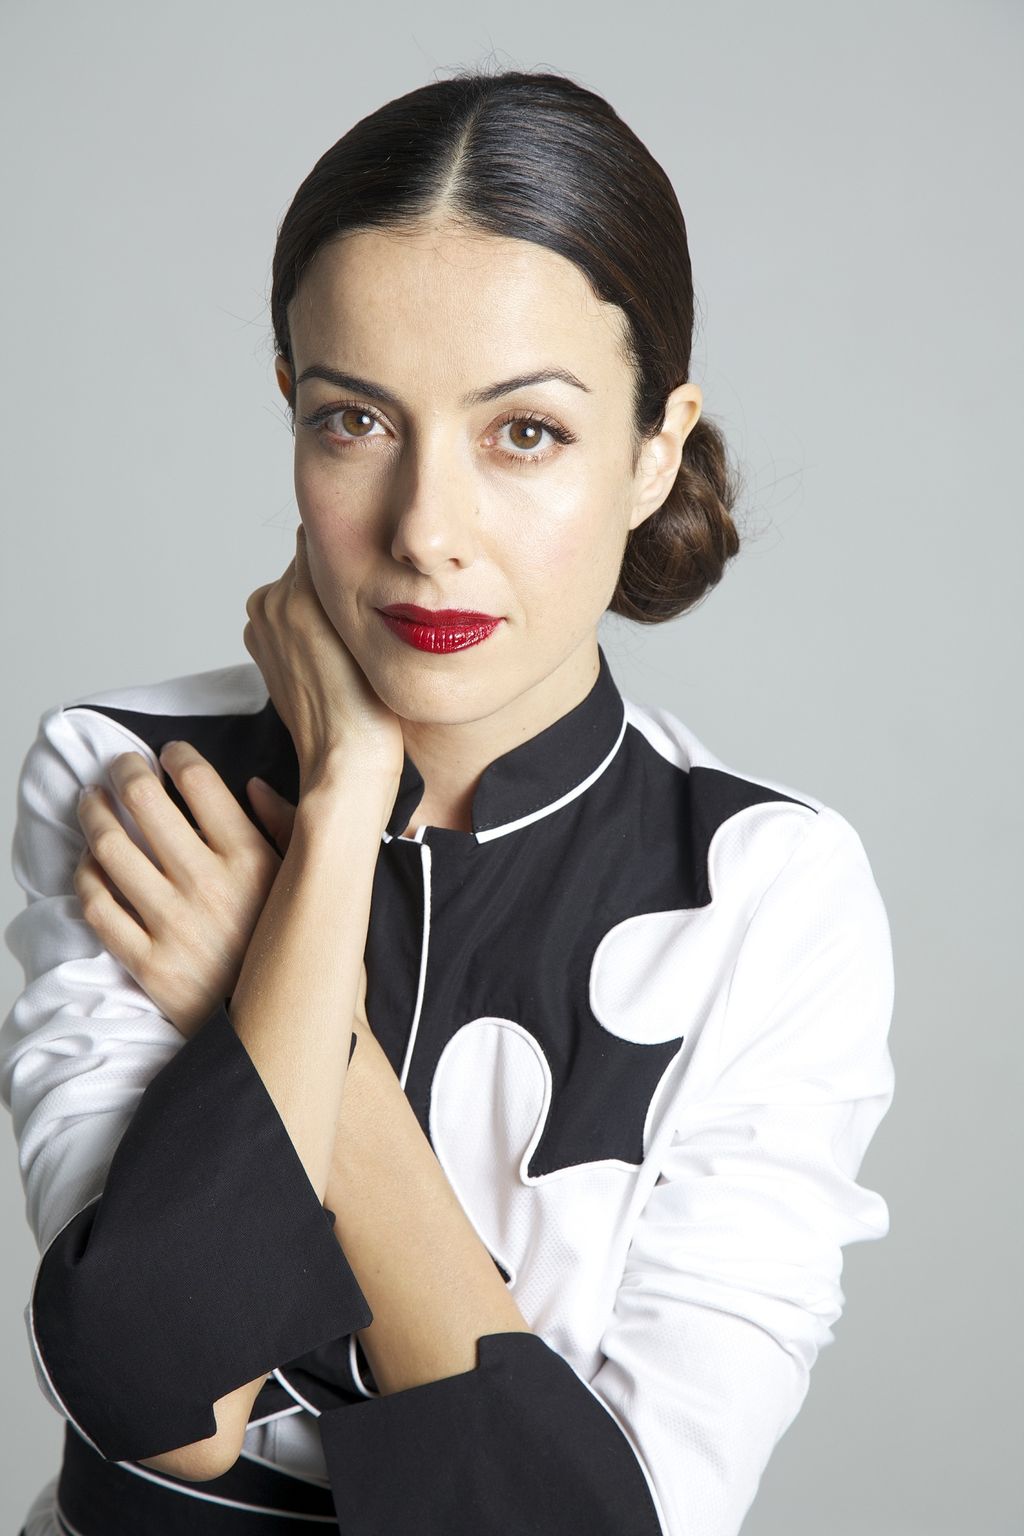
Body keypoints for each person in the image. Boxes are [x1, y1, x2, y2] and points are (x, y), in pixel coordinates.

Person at [1, 64, 895, 1536]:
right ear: (291, 413)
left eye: (524, 432)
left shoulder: (765, 888)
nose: (426, 530)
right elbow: (158, 1390)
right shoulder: (133, 776)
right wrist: (345, 794)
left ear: (654, 450)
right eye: (355, 421)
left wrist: (267, 987)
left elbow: (597, 1523)